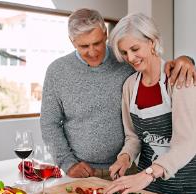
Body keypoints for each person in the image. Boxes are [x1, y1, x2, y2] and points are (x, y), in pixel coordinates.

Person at [40, 8, 196, 178]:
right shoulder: (58, 71)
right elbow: (49, 123)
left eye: (97, 43)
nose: (92, 52)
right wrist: (68, 163)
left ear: (105, 33)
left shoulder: (124, 61)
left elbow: (156, 66)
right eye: (84, 46)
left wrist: (187, 60)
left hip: (127, 171)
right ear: (72, 41)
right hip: (80, 171)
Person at [104, 13, 196, 194]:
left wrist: (148, 174)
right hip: (147, 189)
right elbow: (134, 137)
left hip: (185, 190)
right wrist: (125, 158)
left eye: (135, 48)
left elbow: (189, 142)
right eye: (124, 52)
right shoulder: (130, 85)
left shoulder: (179, 79)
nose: (130, 57)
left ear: (152, 42)